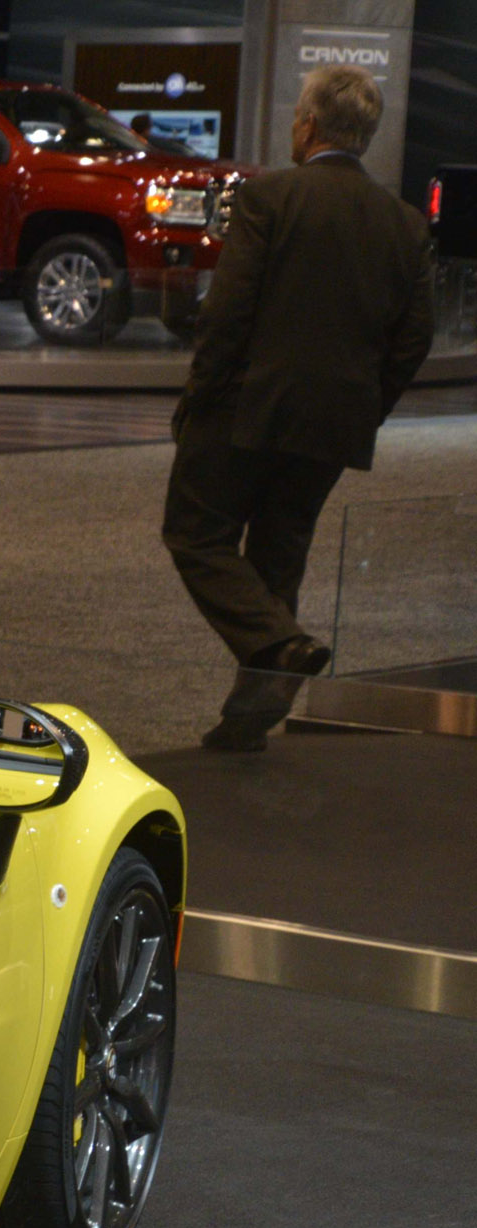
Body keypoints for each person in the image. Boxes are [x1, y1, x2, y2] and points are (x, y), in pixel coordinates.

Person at [167, 66, 434, 752]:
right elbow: (414, 338)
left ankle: (279, 643)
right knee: (279, 556)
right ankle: (250, 716)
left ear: (309, 124)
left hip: (245, 408)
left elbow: (227, 315)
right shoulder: (403, 223)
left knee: (196, 535)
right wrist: (366, 407)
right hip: (333, 422)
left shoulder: (271, 197)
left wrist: (198, 398)